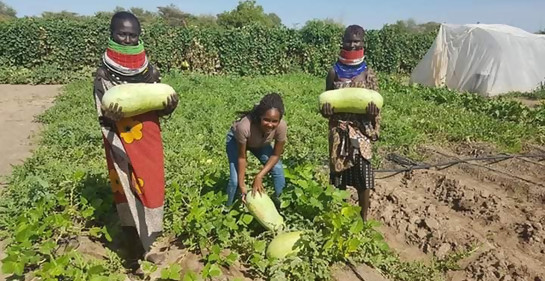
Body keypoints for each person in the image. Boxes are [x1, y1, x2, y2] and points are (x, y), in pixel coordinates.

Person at [92, 11, 178, 273]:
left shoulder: (150, 71)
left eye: (133, 35)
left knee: (150, 189)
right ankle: (133, 253)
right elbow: (102, 113)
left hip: (148, 139)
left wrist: (169, 107)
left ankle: (150, 245)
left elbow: (157, 102)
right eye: (122, 34)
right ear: (112, 34)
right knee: (126, 192)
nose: (127, 40)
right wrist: (110, 116)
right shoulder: (103, 73)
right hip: (118, 140)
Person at [321, 25, 381, 222]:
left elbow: (376, 100)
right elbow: (326, 102)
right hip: (339, 129)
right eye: (349, 40)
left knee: (364, 173)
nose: (353, 44)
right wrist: (326, 111)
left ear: (363, 43)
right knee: (338, 173)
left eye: (357, 41)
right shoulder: (333, 72)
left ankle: (363, 218)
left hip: (361, 130)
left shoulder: (368, 73)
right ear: (343, 42)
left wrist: (373, 112)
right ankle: (339, 215)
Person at [225, 93, 287, 206]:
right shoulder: (244, 126)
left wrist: (259, 176)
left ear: (279, 120)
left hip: (260, 144)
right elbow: (242, 157)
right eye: (266, 120)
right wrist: (242, 184)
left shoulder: (281, 127)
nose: (270, 125)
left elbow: (275, 155)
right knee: (234, 181)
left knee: (278, 170)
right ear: (259, 117)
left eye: (274, 121)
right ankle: (227, 208)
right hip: (236, 142)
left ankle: (281, 204)